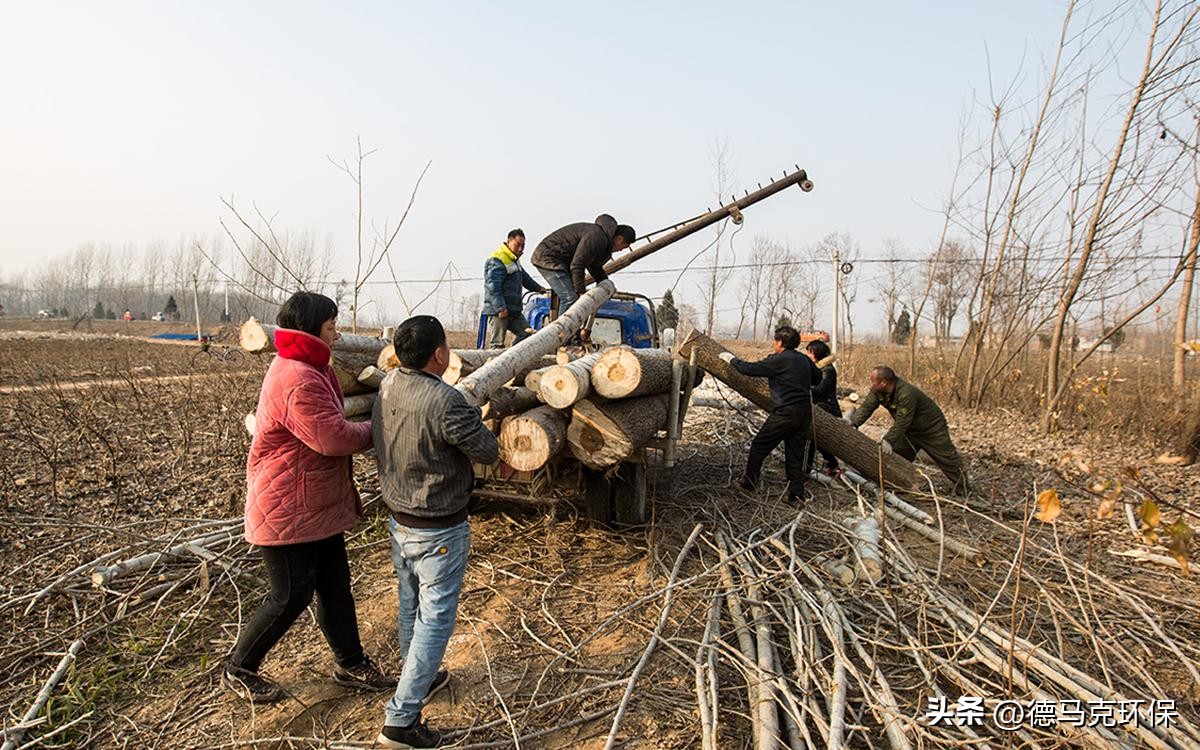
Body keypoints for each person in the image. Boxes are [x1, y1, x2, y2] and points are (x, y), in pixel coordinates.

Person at [223, 291, 394, 703]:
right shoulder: (297, 377)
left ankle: (351, 664)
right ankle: (239, 667)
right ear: (312, 329)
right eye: (331, 328)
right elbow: (332, 438)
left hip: (314, 501)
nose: (336, 336)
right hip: (287, 504)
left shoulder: (308, 366)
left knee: (335, 587)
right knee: (289, 596)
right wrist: (383, 428)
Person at [373, 315, 500, 749]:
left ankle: (418, 678)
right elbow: (487, 449)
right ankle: (400, 722)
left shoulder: (387, 385)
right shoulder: (446, 401)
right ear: (440, 354)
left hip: (400, 520)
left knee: (410, 605)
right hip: (439, 529)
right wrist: (478, 420)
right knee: (435, 621)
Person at [718, 326, 823, 504]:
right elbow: (818, 378)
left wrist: (731, 359)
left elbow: (748, 369)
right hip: (804, 412)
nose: (773, 343)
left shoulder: (779, 360)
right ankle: (796, 496)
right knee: (795, 454)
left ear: (781, 342)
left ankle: (749, 484)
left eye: (775, 340)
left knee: (759, 446)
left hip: (786, 412)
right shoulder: (804, 359)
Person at [845, 365, 970, 495]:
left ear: (883, 382)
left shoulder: (906, 393)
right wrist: (854, 423)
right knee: (896, 456)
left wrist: (888, 440)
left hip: (931, 429)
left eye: (873, 381)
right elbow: (866, 408)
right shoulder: (877, 391)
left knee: (947, 458)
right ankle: (896, 484)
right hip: (909, 430)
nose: (871, 385)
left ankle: (964, 490)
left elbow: (903, 420)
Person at [530, 214, 635, 313]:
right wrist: (581, 292)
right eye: (624, 246)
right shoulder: (596, 237)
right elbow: (577, 265)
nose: (621, 250)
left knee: (572, 297)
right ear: (619, 239)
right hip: (548, 258)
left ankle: (568, 328)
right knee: (570, 298)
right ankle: (562, 331)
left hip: (560, 261)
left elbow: (594, 266)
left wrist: (605, 283)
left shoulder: (603, 244)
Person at [482, 228, 546, 347]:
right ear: (509, 241)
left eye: (523, 246)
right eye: (518, 245)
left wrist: (538, 288)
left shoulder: (515, 260)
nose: (521, 249)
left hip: (514, 310)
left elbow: (524, 278)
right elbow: (493, 287)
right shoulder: (497, 259)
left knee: (527, 335)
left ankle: (512, 357)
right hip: (500, 311)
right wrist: (500, 307)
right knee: (497, 344)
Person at [804, 339, 841, 477]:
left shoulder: (828, 370)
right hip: (819, 407)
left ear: (818, 353)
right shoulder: (816, 368)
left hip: (827, 408)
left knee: (810, 438)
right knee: (818, 440)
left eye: (810, 353)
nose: (808, 355)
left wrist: (800, 386)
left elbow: (819, 390)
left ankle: (805, 470)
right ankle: (832, 465)